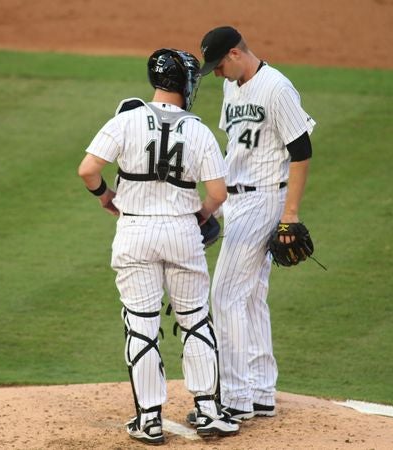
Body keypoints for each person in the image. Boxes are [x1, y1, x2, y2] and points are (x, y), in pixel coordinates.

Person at [78, 48, 239, 445]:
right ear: (183, 83)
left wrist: (105, 197)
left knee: (142, 325)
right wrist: (200, 215)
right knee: (195, 319)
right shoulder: (199, 130)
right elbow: (218, 193)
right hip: (183, 233)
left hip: (134, 233)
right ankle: (208, 411)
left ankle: (148, 419)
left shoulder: (127, 120)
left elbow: (88, 170)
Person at [196, 26, 317, 421]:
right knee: (249, 295)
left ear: (235, 52)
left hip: (266, 198)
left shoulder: (277, 88)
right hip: (236, 199)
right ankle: (261, 390)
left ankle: (234, 397)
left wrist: (290, 213)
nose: (216, 74)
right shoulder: (233, 87)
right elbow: (234, 149)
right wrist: (214, 205)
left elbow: (301, 151)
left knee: (225, 295)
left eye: (218, 65)